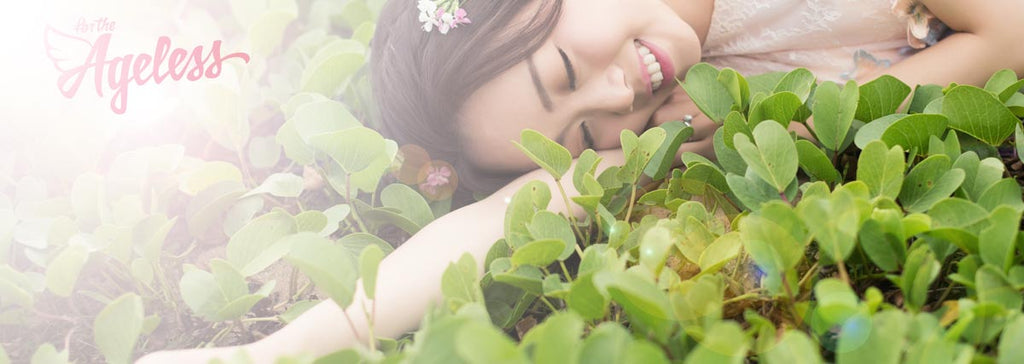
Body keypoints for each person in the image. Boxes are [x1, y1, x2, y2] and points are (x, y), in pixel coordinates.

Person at [138, 0, 1024, 362]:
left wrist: (786, 120)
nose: (620, 97)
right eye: (589, 133)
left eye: (565, 66)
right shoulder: (676, 120)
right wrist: (263, 354)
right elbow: (497, 219)